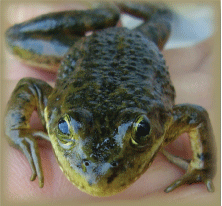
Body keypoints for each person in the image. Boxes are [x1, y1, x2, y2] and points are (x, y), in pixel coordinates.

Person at [3, 3, 219, 204]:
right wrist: (16, 129)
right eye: (65, 129)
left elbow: (196, 116)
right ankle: (105, 14)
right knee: (14, 38)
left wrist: (202, 167)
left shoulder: (167, 120)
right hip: (86, 49)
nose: (98, 174)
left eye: (141, 131)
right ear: (53, 111)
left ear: (160, 119)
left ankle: (107, 12)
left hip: (140, 43)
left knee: (164, 14)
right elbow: (30, 86)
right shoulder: (53, 105)